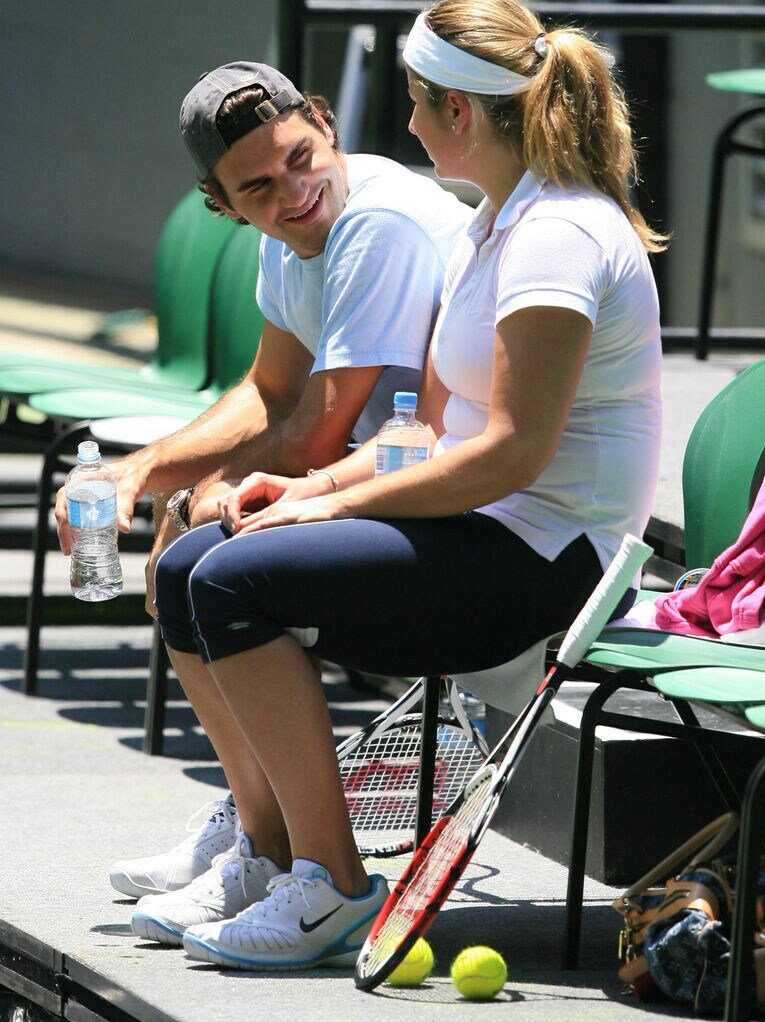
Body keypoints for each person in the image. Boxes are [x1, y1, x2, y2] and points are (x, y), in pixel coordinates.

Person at [136, 0, 666, 970]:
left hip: (553, 563)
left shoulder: (560, 237)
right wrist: (289, 485)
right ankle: (268, 850)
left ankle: (332, 884)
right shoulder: (488, 226)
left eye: (420, 104)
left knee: (231, 580)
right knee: (188, 566)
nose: (410, 124)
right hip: (482, 528)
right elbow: (423, 435)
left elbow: (509, 454)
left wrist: (326, 501)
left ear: (460, 113)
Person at [55, 64, 470, 898]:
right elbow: (266, 391)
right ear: (223, 204)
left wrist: (193, 500)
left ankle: (308, 867)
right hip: (375, 476)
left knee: (211, 569)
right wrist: (141, 473)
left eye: (300, 157)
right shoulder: (289, 241)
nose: (293, 192)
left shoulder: (375, 220)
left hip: (443, 493)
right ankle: (261, 834)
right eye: (258, 187)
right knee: (187, 564)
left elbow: (314, 426)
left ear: (321, 121)